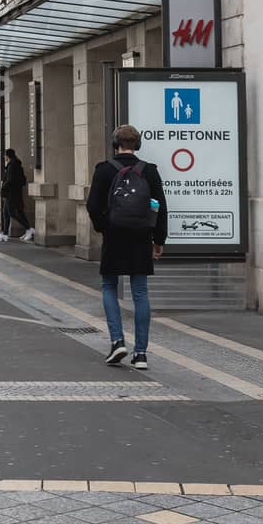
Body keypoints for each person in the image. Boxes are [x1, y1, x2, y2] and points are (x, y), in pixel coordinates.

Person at [87, 124, 167, 370]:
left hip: (114, 236)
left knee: (109, 286)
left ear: (115, 144)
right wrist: (158, 240)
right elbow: (159, 206)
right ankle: (141, 353)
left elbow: (92, 205)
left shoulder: (104, 170)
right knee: (140, 292)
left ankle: (117, 341)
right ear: (137, 144)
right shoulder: (149, 171)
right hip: (141, 237)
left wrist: (103, 227)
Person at [0, 148, 35, 243]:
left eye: (5, 155)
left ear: (8, 156)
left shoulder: (12, 165)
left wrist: (3, 188)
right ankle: (4, 234)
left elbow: (10, 180)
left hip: (11, 194)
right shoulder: (14, 164)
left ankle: (29, 228)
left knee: (12, 213)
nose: (4, 157)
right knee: (7, 213)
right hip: (13, 193)